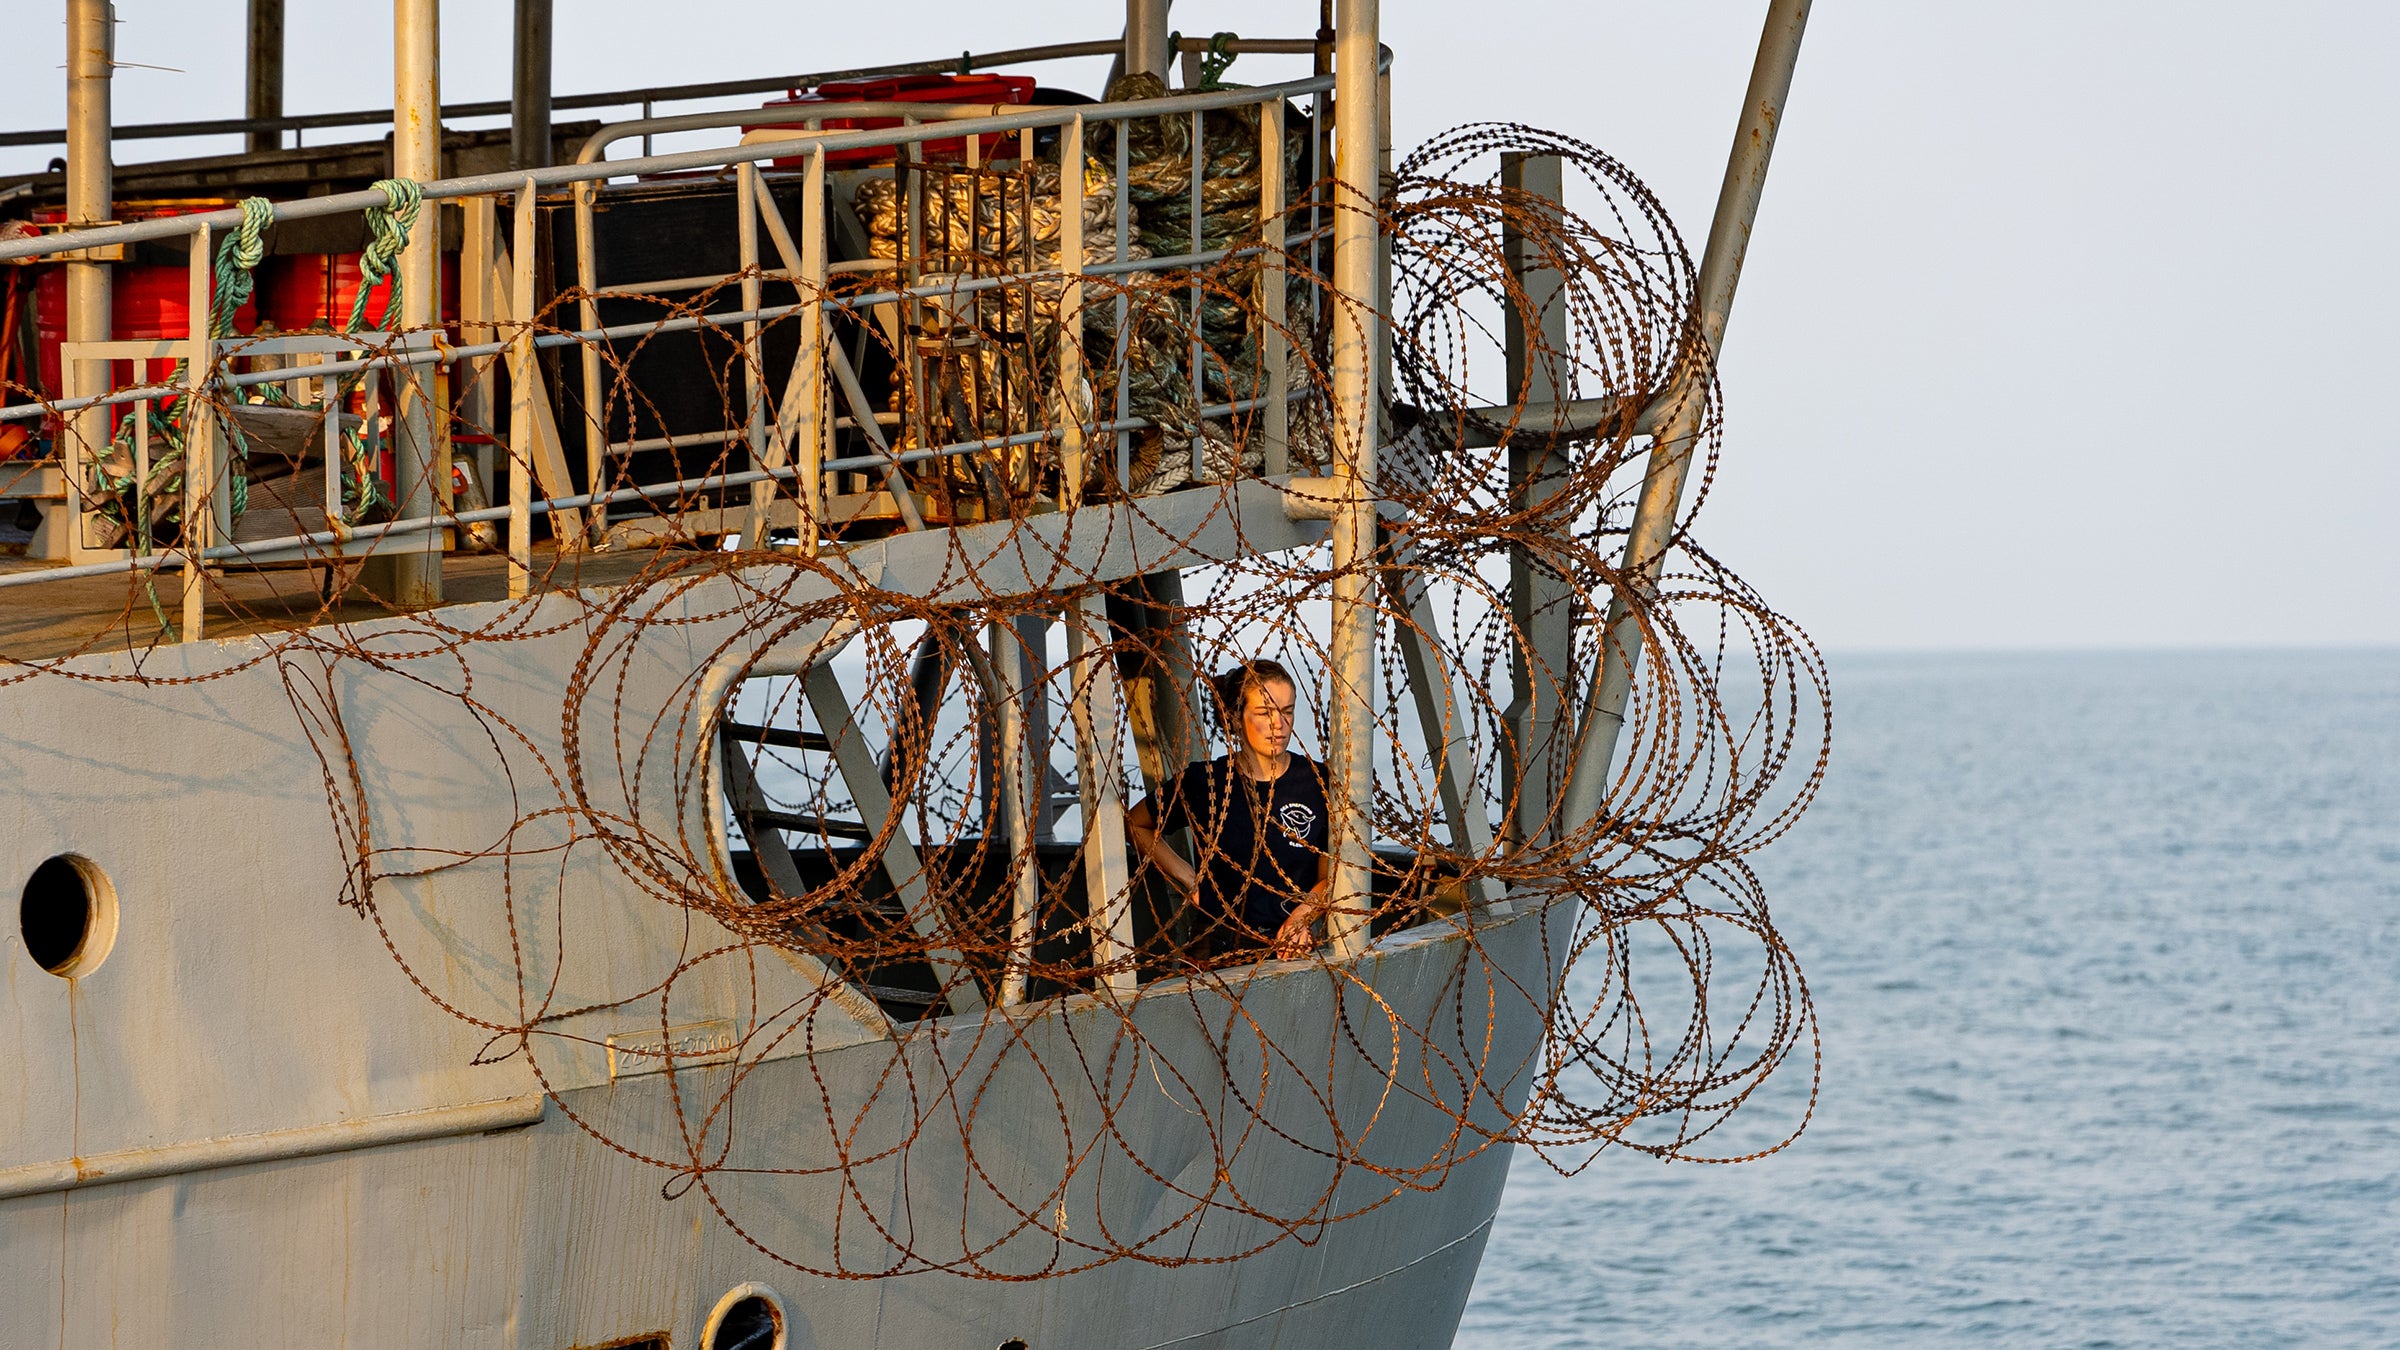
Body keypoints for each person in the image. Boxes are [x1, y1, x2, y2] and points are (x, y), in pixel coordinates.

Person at [1126, 658, 1331, 964]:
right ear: (1236, 717)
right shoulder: (1205, 782)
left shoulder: (1318, 782)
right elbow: (1136, 823)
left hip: (1290, 953)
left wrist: (1303, 914)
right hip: (1216, 953)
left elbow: (1332, 874)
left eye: (1287, 711)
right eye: (1264, 713)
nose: (1279, 724)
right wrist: (1188, 878)